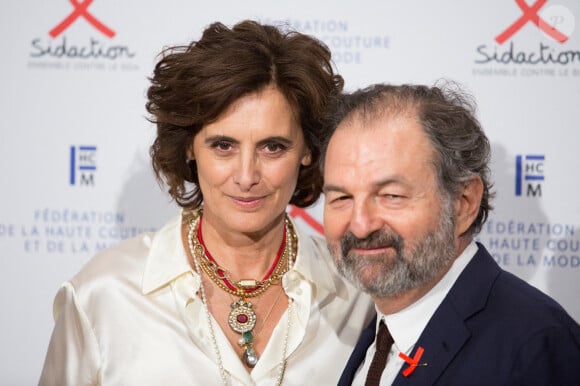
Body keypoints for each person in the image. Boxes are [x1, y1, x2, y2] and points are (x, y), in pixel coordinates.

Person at [39, 20, 373, 386]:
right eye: (223, 146)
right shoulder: (104, 294)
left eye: (272, 147)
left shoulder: (358, 293)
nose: (246, 176)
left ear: (308, 151)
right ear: (188, 147)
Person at [321, 83, 580, 386]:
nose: (361, 225)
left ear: (463, 204)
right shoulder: (373, 335)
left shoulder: (535, 349)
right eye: (341, 198)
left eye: (391, 195)